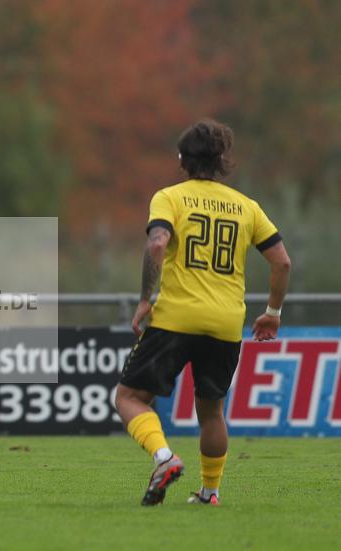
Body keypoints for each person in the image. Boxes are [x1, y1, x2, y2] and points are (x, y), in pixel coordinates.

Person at [115, 118, 291, 506]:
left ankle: (164, 458)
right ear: (223, 159)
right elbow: (282, 262)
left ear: (182, 159)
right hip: (226, 322)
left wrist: (146, 297)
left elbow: (157, 245)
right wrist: (272, 312)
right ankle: (210, 493)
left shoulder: (170, 197)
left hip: (177, 317)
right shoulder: (247, 207)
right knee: (212, 411)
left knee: (129, 396)